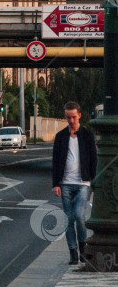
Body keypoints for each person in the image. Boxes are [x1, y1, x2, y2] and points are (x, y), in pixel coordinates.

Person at [52, 101, 98, 265]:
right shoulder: (61, 137)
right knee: (69, 218)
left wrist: (93, 182)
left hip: (83, 183)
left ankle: (83, 250)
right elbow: (55, 161)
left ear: (79, 115)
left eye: (73, 117)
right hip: (65, 183)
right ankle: (73, 252)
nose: (70, 120)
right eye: (67, 117)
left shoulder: (87, 135)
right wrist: (56, 183)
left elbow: (94, 159)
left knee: (79, 216)